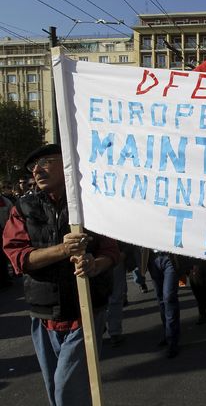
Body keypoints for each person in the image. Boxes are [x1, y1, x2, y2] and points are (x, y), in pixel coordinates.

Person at [2, 144, 119, 406]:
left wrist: (95, 264)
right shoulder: (23, 208)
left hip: (85, 311)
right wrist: (63, 250)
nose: (36, 170)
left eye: (45, 162)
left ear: (66, 164)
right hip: (44, 315)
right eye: (33, 166)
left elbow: (112, 251)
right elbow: (18, 257)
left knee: (67, 393)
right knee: (55, 391)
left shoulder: (91, 203)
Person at [142, 248, 181, 358]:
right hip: (152, 258)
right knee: (161, 299)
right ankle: (168, 333)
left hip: (170, 257)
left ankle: (172, 340)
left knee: (169, 297)